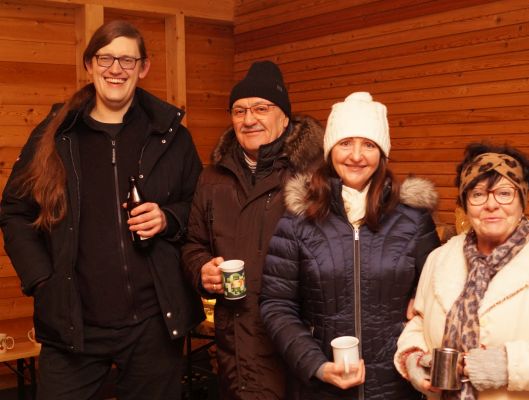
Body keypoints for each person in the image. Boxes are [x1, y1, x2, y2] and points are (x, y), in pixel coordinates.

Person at [0, 20, 202, 399]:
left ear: (143, 68)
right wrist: (43, 280)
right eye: (105, 58)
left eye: (127, 60)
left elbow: (199, 207)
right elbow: (14, 211)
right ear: (89, 64)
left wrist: (167, 218)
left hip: (154, 324)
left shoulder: (172, 136)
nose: (116, 69)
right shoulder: (53, 135)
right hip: (74, 322)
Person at [259, 91, 441, 400]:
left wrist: (420, 304)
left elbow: (438, 294)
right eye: (345, 143)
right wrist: (316, 365)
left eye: (368, 145)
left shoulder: (412, 219)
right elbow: (277, 304)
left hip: (396, 386)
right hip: (322, 389)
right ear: (330, 150)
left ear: (382, 153)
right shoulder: (298, 220)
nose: (356, 156)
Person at [394, 142, 529, 399]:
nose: (491, 204)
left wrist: (507, 365)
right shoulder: (438, 259)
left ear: (522, 200)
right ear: (465, 204)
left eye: (504, 193)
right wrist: (414, 358)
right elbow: (419, 321)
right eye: (478, 194)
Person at [181, 60, 324, 399]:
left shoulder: (315, 175)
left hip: (298, 340)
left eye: (261, 108)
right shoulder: (213, 177)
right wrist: (202, 270)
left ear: (284, 117)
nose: (248, 120)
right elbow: (193, 244)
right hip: (235, 341)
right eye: (239, 111)